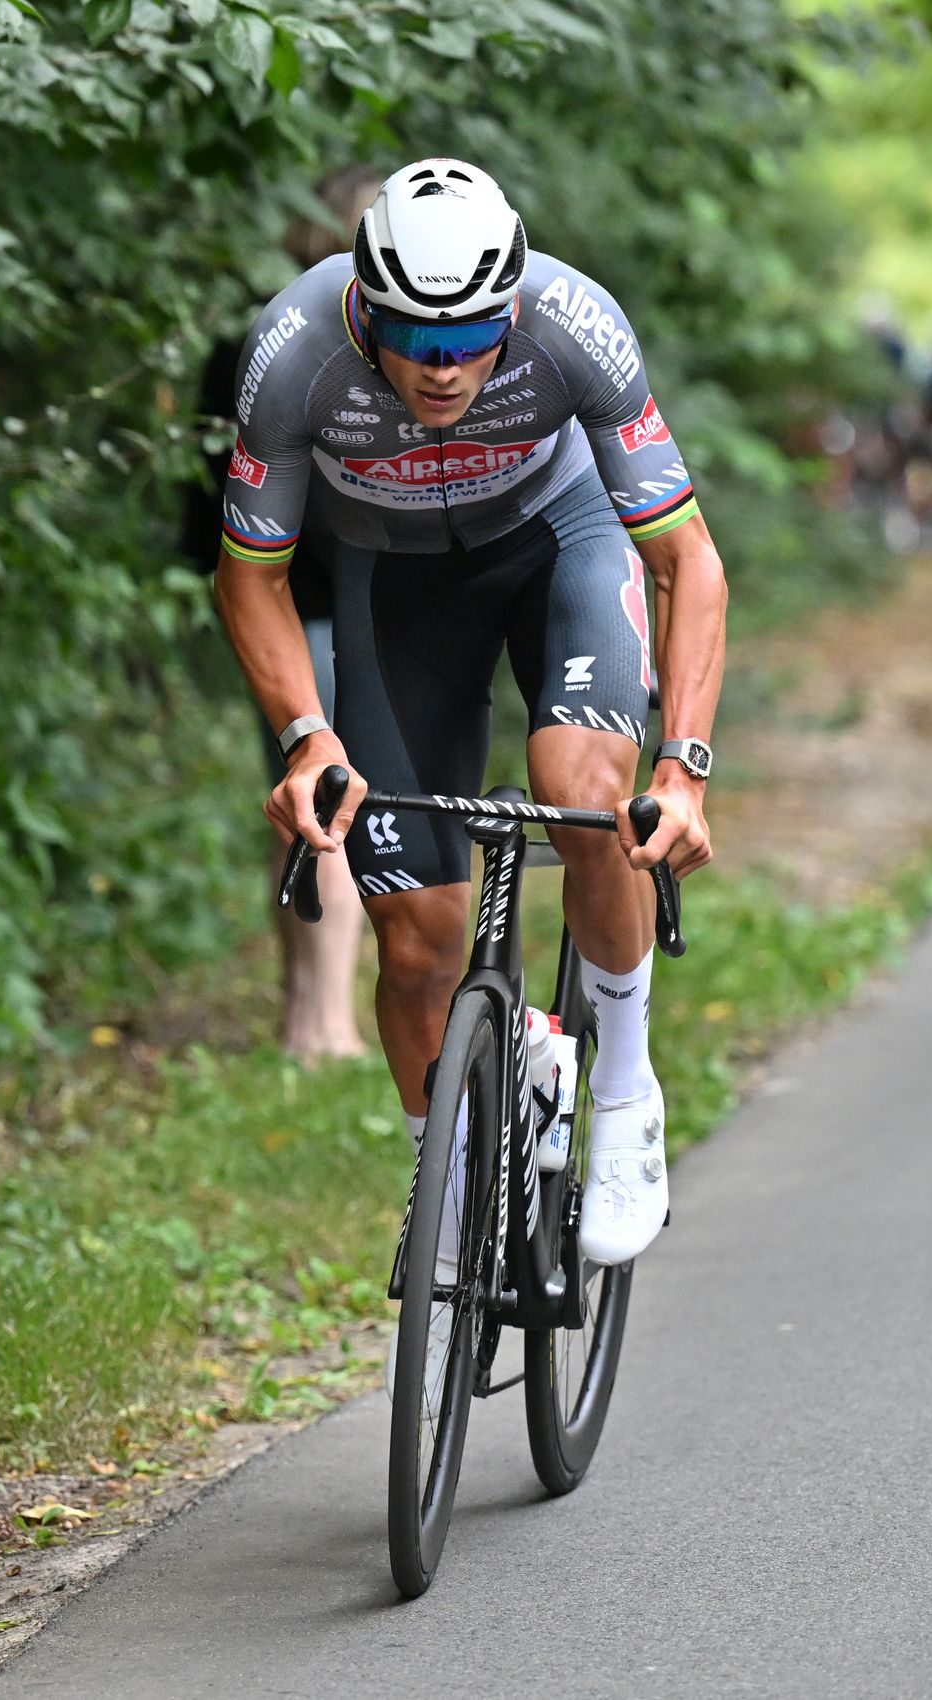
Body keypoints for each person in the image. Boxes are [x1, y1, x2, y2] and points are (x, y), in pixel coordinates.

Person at [211, 159, 726, 1392]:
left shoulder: (574, 322)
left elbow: (687, 561)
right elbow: (249, 575)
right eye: (412, 337)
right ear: (363, 308)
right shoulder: (292, 351)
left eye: (470, 338)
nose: (442, 367)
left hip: (560, 545)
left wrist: (684, 768)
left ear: (512, 306)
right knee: (417, 943)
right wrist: (305, 737)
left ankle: (624, 1087)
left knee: (583, 790)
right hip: (395, 585)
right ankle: (442, 1173)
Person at [185, 169, 383, 1060]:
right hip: (324, 610)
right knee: (332, 802)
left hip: (266, 605)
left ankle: (303, 1012)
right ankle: (327, 1023)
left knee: (300, 801)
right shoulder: (350, 350)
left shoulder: (246, 338)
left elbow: (206, 498)